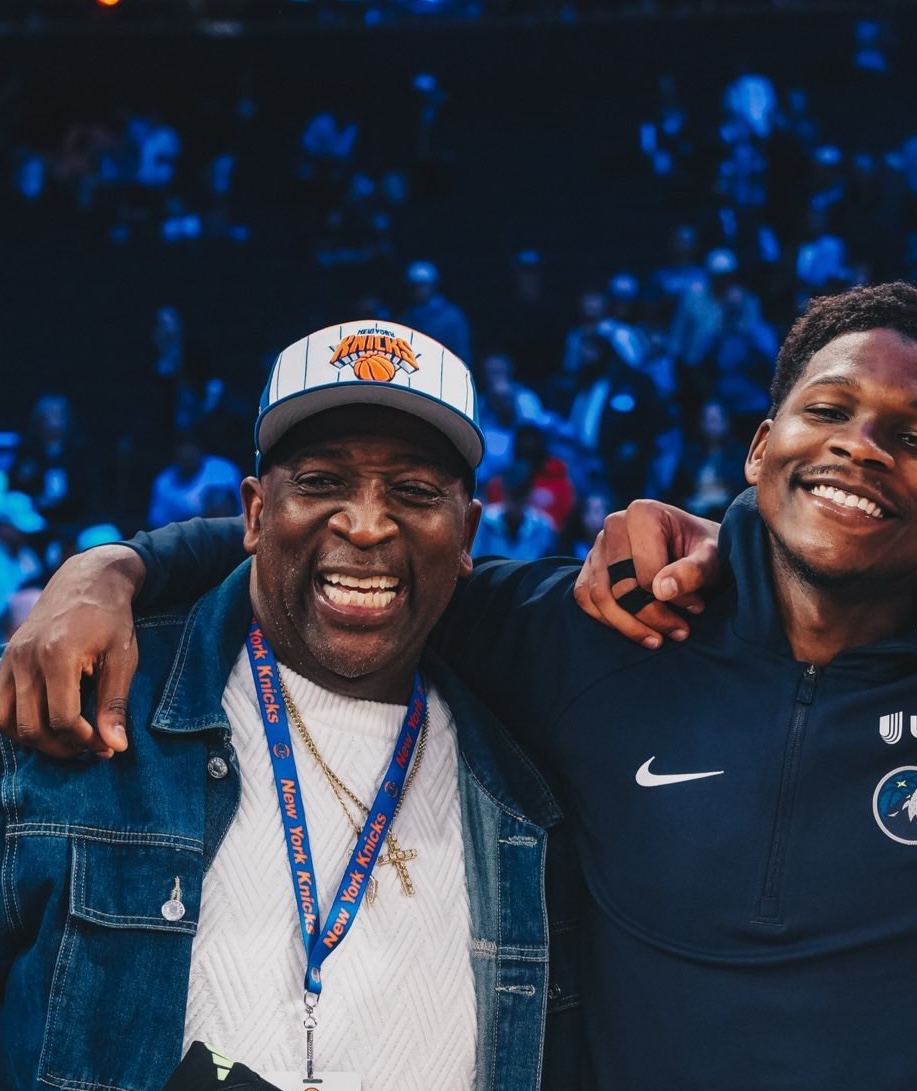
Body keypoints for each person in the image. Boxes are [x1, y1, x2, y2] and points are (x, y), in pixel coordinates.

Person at [4, 285, 917, 1090]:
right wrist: (108, 569)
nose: (862, 446)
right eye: (828, 410)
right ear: (759, 444)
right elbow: (332, 565)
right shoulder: (593, 639)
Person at [0, 321, 579, 1090]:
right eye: (321, 482)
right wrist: (107, 566)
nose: (366, 524)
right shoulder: (92, 706)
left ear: (467, 531)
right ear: (253, 512)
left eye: (412, 492)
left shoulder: (528, 771)